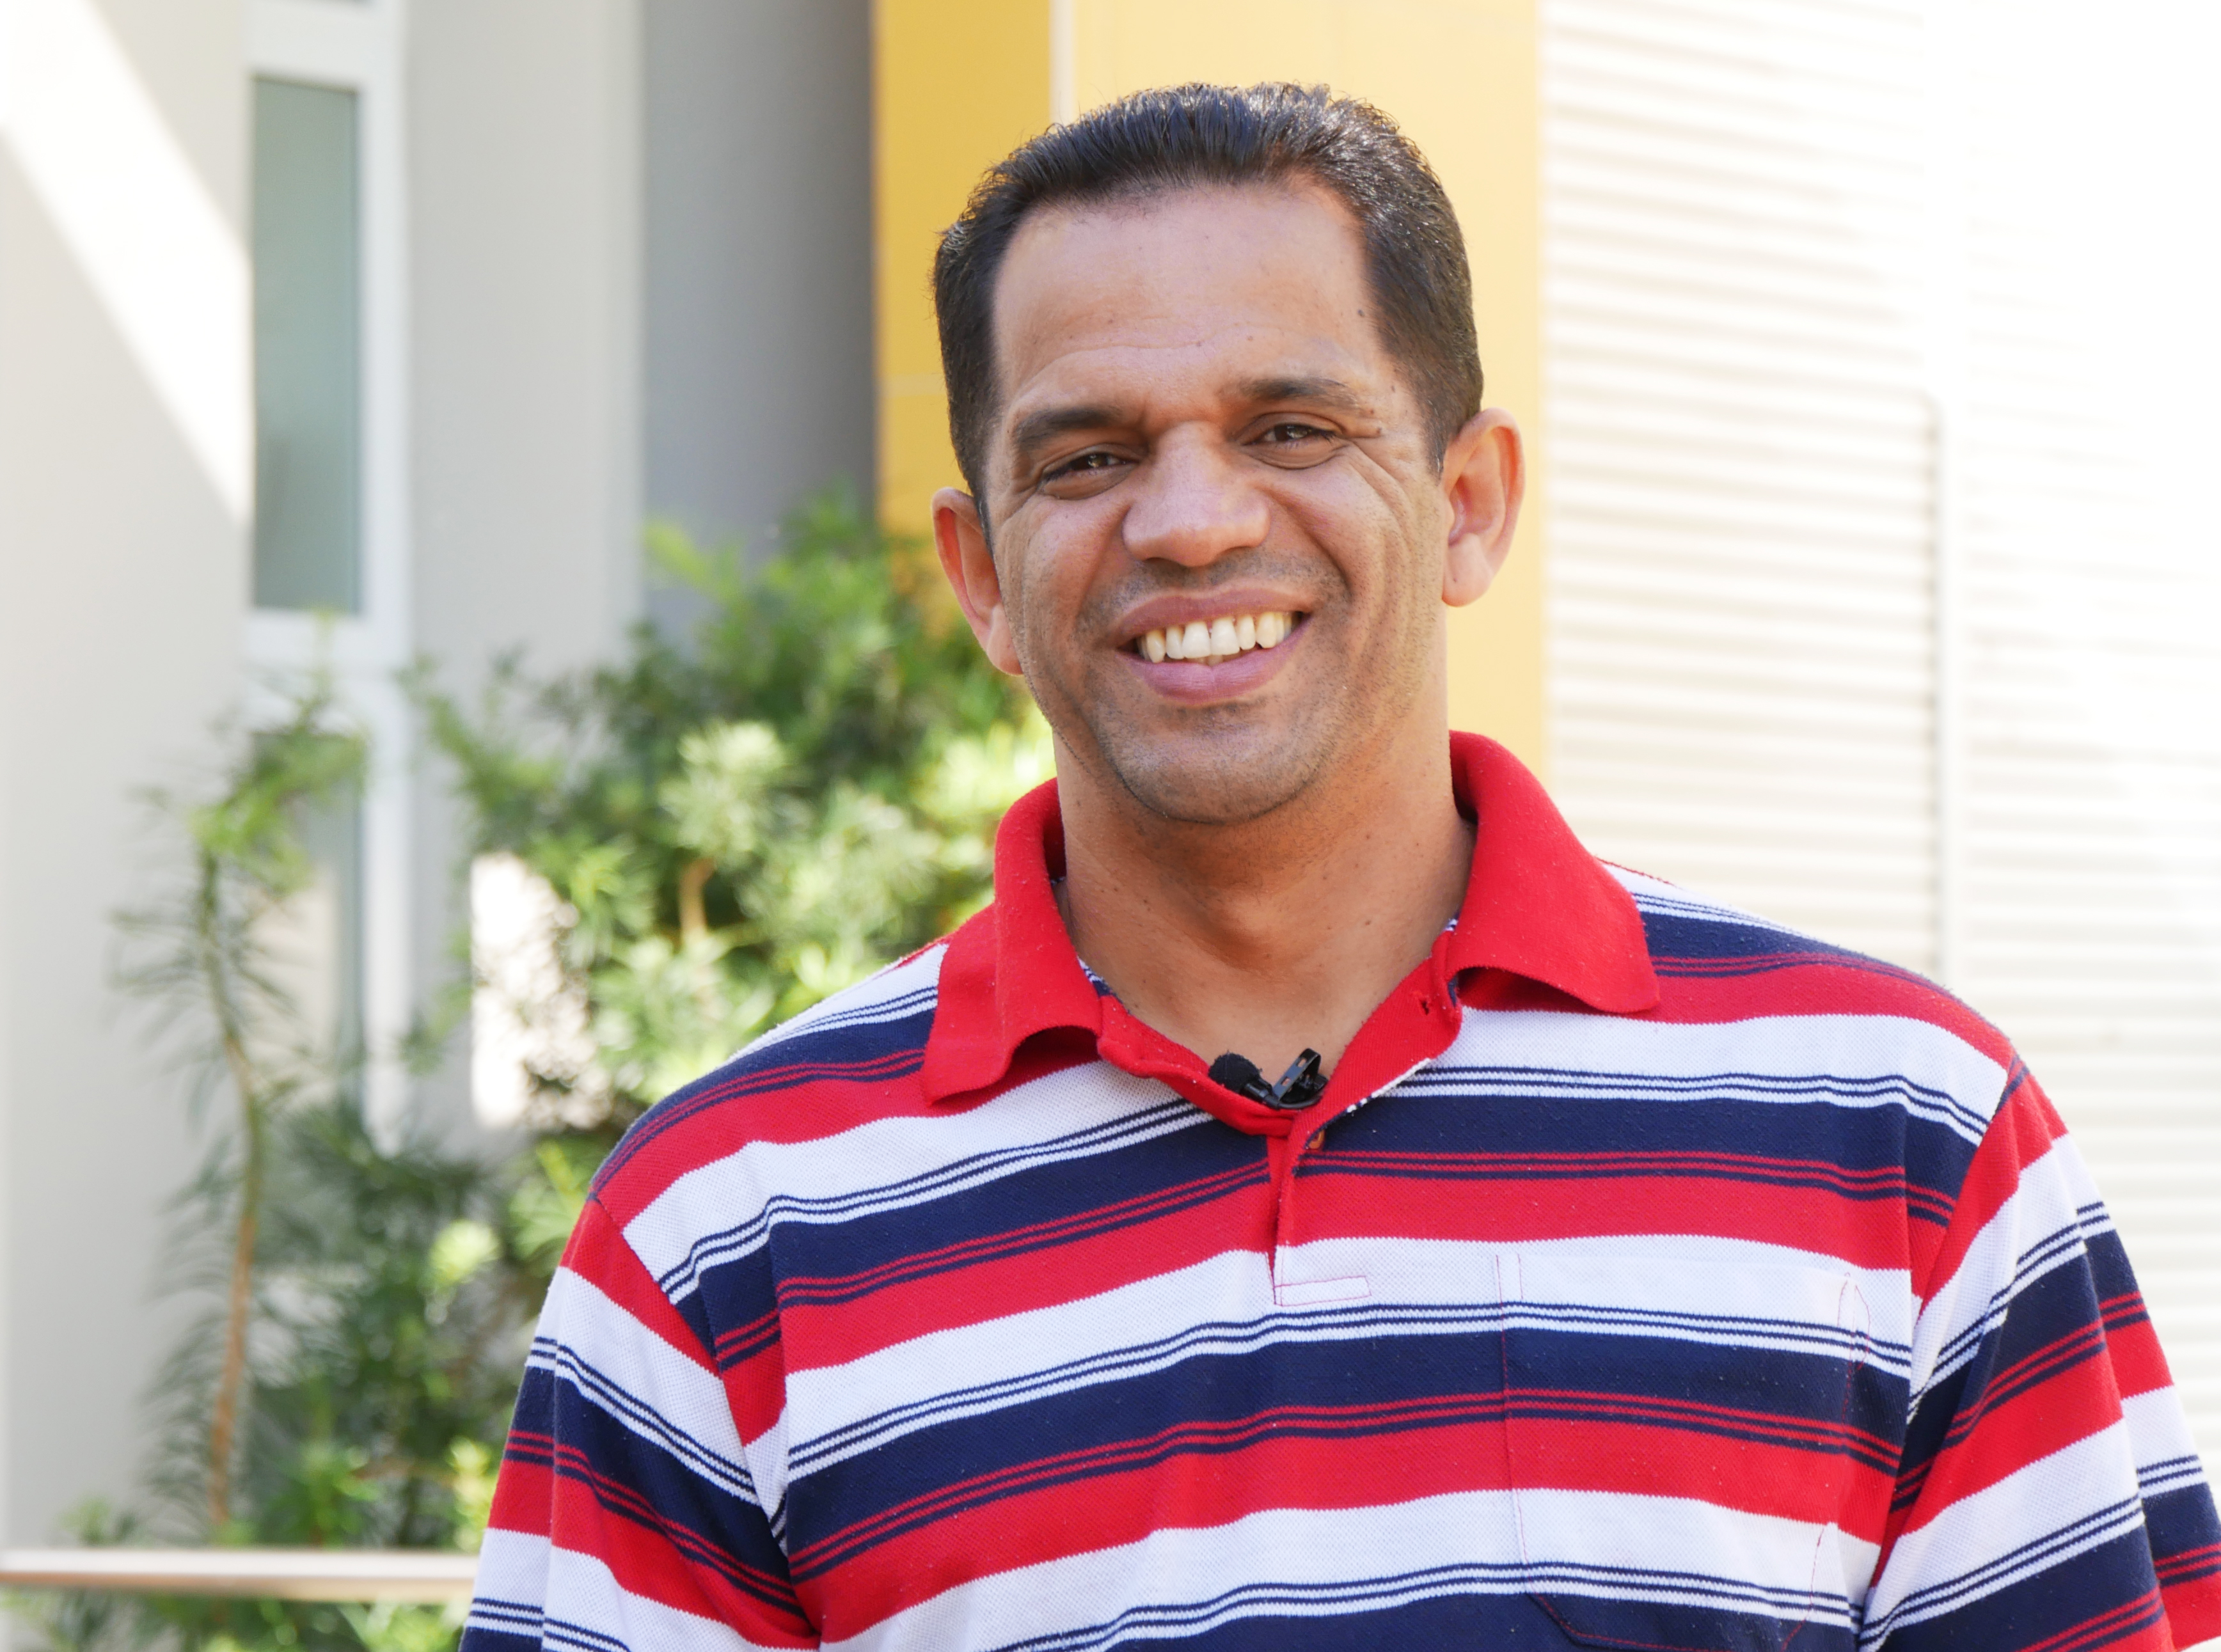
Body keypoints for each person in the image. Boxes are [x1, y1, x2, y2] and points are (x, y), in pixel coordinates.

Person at [462, 82, 2221, 1651]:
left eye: (1292, 429)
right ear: (982, 574)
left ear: (1469, 501)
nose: (1192, 521)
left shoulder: (1903, 1139)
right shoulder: (723, 1232)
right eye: (1089, 456)